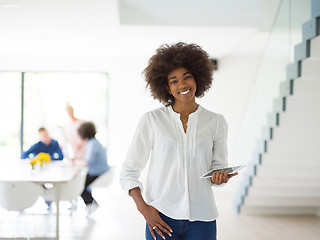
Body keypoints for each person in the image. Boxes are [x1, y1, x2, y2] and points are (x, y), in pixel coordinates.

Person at [120, 42, 238, 240]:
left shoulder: (216, 121)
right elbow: (129, 171)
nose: (182, 85)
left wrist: (220, 176)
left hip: (203, 219)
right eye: (174, 81)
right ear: (166, 87)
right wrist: (145, 210)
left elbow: (218, 166)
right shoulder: (152, 120)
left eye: (187, 77)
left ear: (198, 78)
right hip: (161, 217)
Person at [77, 121, 110, 215]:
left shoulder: (92, 144)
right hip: (99, 171)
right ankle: (90, 203)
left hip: (99, 173)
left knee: (79, 184)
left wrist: (76, 162)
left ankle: (91, 203)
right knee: (82, 180)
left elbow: (88, 161)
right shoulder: (93, 142)